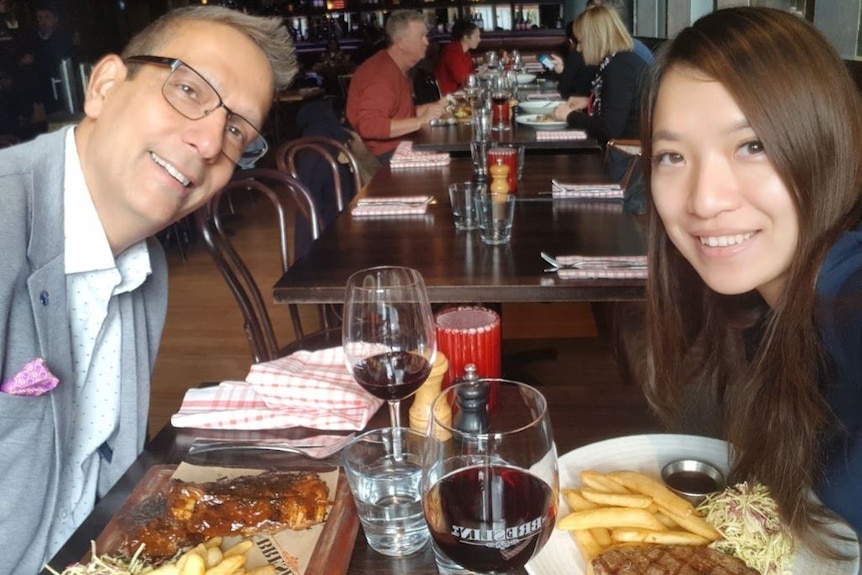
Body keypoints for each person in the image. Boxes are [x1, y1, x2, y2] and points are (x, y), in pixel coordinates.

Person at [0, 6, 297, 574]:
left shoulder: (145, 269)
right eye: (188, 89)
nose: (211, 141)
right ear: (106, 85)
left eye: (237, 129)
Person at [642, 6, 862, 553]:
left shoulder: (849, 299)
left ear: (825, 141)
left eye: (752, 146)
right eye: (672, 156)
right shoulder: (767, 311)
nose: (704, 200)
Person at [346, 10, 445, 161]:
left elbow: (399, 114)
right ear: (401, 43)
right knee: (454, 163)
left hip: (399, 146)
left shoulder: (395, 67)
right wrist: (420, 121)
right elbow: (369, 126)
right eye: (421, 37)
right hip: (382, 157)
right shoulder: (382, 76)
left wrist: (436, 107)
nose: (426, 42)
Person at [551, 5, 646, 144]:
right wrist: (589, 102)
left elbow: (609, 129)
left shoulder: (620, 68)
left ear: (595, 40)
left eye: (581, 42)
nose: (578, 48)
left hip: (627, 155)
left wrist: (569, 116)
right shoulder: (618, 61)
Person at [549, 0, 653, 100]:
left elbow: (611, 114)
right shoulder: (613, 56)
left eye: (591, 18)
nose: (579, 48)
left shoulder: (622, 60)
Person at [18, 2, 74, 120]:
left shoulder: (64, 40)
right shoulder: (30, 39)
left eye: (47, 17)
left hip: (63, 95)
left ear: (55, 19)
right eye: (40, 18)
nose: (42, 21)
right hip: (39, 99)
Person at [434, 19, 480, 95]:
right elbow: (462, 79)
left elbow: (470, 73)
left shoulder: (464, 52)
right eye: (476, 36)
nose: (479, 40)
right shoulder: (452, 52)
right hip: (449, 97)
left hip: (459, 92)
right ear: (465, 37)